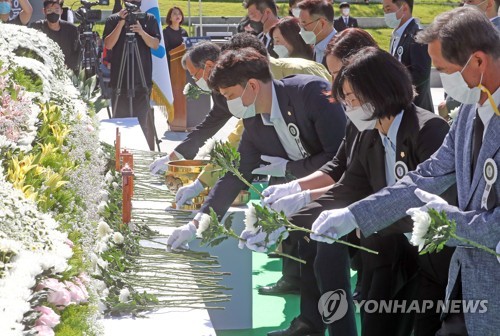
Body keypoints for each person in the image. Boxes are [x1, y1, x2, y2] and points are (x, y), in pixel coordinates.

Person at [308, 7, 500, 335]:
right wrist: (355, 216)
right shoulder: (469, 113)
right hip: (471, 283)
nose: (442, 79)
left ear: (478, 61)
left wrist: (449, 224)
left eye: (444, 70)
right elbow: (427, 175)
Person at [247, 45, 455, 336]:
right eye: (345, 99)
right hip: (384, 254)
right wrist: (288, 217)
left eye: (354, 99)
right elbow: (349, 186)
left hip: (429, 258)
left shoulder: (428, 129)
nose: (349, 107)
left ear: (380, 90)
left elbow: (426, 197)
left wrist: (355, 218)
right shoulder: (365, 129)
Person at [166, 49, 347, 276]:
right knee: (305, 263)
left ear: (252, 86)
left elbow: (338, 157)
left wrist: (289, 170)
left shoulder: (311, 93)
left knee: (329, 264)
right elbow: (236, 174)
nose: (229, 104)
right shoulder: (253, 120)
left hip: (337, 191)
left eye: (230, 96)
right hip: (296, 193)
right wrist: (197, 223)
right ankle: (298, 290)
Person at [149, 35, 331, 175]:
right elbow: (210, 128)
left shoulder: (300, 74)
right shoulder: (225, 94)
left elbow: (333, 129)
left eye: (195, 75)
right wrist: (175, 158)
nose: (195, 81)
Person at [103, 0, 160, 151]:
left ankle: (141, 156)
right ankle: (119, 158)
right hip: (119, 82)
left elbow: (155, 44)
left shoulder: (149, 19)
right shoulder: (113, 19)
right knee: (120, 124)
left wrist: (141, 32)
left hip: (142, 81)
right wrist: (121, 23)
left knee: (142, 123)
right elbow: (108, 44)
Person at [383, 0, 434, 113]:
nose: (386, 15)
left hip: (417, 111)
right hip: (400, 108)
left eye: (388, 9)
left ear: (404, 8)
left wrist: (395, 87)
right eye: (384, 11)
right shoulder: (396, 35)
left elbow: (421, 74)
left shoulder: (417, 34)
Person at [30, 0, 80, 73]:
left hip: (66, 70)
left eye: (56, 10)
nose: (53, 13)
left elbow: (77, 52)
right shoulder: (37, 27)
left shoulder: (71, 29)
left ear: (61, 11)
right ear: (44, 11)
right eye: (49, 10)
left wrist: (67, 67)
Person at [297, 0, 336, 65]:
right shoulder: (314, 48)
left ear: (322, 23)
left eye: (304, 23)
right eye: (300, 24)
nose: (301, 29)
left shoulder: (343, 50)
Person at [163, 6, 188, 71]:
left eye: (179, 14)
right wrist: (180, 48)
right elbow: (167, 50)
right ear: (170, 18)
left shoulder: (184, 32)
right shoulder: (165, 32)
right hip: (171, 64)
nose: (178, 15)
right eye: (175, 14)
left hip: (182, 63)